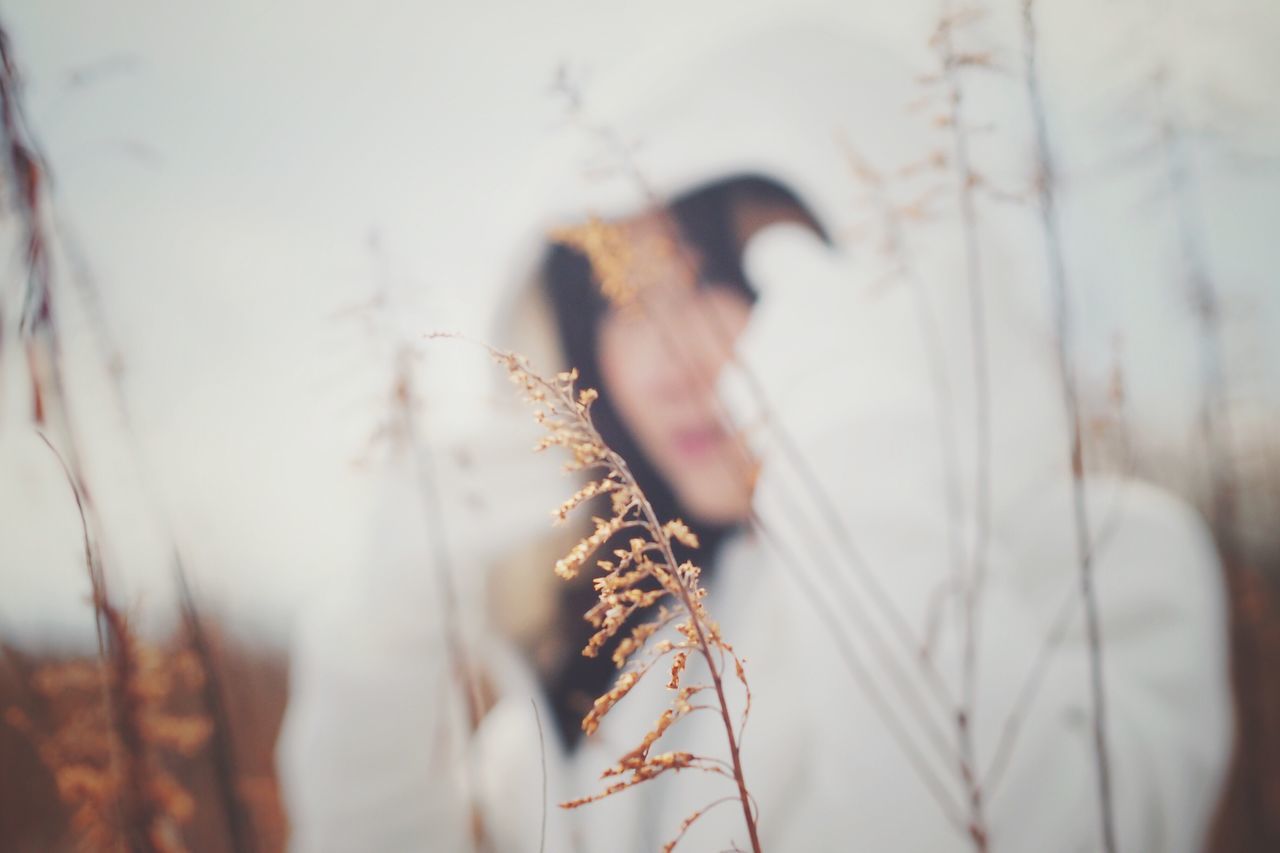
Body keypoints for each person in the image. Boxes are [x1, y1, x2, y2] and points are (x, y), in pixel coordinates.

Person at [277, 17, 1231, 852]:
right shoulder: (618, 685)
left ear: (860, 281)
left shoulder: (1104, 560)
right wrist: (382, 643)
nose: (665, 365)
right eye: (624, 303)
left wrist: (855, 433)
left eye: (710, 278)